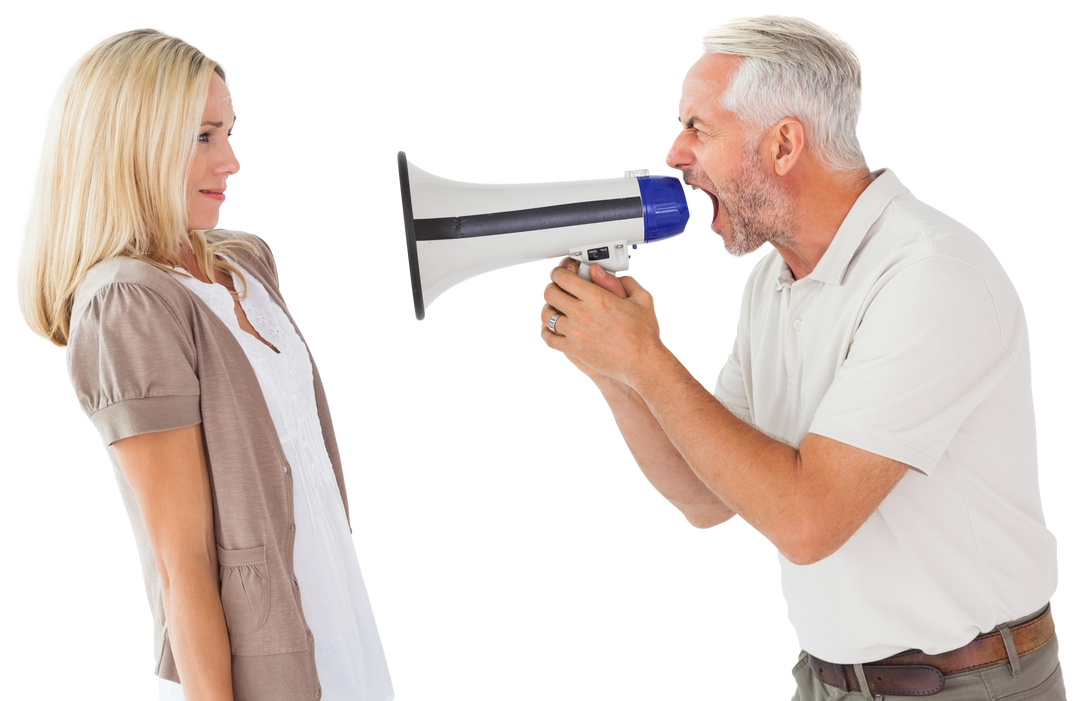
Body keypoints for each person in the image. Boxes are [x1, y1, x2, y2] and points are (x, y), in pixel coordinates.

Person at [538, 13, 1066, 701]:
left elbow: (806, 520)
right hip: (826, 682)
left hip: (969, 687)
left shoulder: (931, 273)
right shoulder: (772, 280)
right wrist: (609, 366)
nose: (673, 155)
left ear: (785, 144)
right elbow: (704, 498)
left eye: (699, 127)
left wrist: (647, 360)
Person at [12, 26, 395, 701]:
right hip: (251, 671)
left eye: (232, 134)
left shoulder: (245, 263)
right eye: (204, 137)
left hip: (341, 631)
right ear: (135, 141)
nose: (234, 163)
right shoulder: (128, 302)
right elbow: (179, 559)